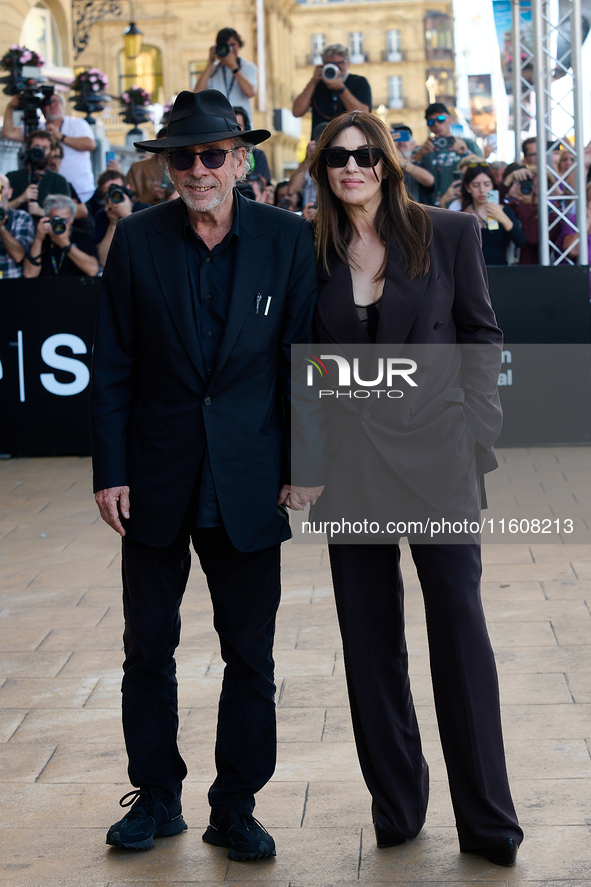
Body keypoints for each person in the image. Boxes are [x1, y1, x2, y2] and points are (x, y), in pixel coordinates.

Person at [90, 89, 322, 860]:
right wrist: (110, 470)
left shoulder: (287, 240)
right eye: (181, 157)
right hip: (154, 476)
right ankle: (155, 796)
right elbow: (114, 366)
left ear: (241, 158)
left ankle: (236, 805)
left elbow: (302, 361)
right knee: (146, 649)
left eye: (211, 154)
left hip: (249, 476)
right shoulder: (138, 240)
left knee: (249, 654)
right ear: (167, 168)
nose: (197, 169)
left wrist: (303, 463)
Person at [307, 111, 523, 867]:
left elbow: (480, 332)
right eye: (337, 157)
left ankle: (489, 821)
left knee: (459, 635)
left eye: (365, 154)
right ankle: (397, 807)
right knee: (369, 647)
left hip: (437, 457)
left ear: (388, 162)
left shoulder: (448, 233)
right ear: (322, 167)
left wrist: (475, 431)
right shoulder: (311, 245)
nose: (352, 167)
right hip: (351, 467)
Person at [2, 92, 96, 203]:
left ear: (63, 105)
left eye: (56, 101)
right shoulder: (37, 128)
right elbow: (8, 133)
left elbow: (90, 145)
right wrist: (10, 106)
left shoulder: (76, 123)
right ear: (41, 108)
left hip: (82, 193)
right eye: (48, 103)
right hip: (47, 192)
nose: (53, 105)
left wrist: (61, 136)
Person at [292, 44, 371, 136]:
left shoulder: (359, 82)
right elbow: (297, 112)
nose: (335, 68)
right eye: (331, 64)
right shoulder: (317, 84)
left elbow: (363, 114)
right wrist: (313, 82)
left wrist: (341, 88)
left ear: (348, 63)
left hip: (350, 141)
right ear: (323, 65)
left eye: (339, 63)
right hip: (320, 141)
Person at [412, 103, 482, 206]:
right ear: (428, 126)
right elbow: (406, 165)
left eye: (441, 119)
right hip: (433, 205)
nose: (437, 124)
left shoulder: (467, 143)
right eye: (431, 122)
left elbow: (484, 168)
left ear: (450, 119)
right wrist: (420, 154)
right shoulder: (424, 149)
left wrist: (467, 152)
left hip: (464, 203)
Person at [460, 162, 524, 265]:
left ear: (492, 186)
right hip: (472, 272)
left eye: (487, 184)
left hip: (500, 271)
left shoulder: (504, 211)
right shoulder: (461, 215)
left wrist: (503, 219)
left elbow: (520, 241)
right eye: (476, 185)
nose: (482, 190)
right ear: (468, 188)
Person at [23, 194, 98, 278]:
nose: (60, 224)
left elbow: (93, 270)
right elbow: (29, 274)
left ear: (71, 219)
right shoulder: (42, 238)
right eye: (56, 219)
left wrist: (65, 244)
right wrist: (38, 239)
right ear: (48, 219)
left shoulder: (83, 236)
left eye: (64, 220)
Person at [194, 28, 257, 118]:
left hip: (241, 123)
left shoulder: (248, 67)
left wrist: (234, 67)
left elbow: (250, 92)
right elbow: (198, 92)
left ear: (239, 45)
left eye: (232, 44)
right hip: (220, 123)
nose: (229, 49)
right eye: (225, 46)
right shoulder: (213, 69)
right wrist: (210, 62)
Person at [7, 129, 70, 219]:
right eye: (37, 147)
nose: (40, 151)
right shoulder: (11, 178)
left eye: (45, 148)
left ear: (51, 151)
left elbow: (66, 216)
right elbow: (2, 209)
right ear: (29, 149)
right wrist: (21, 199)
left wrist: (41, 212)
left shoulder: (59, 181)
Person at [92, 173, 150, 266]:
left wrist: (127, 215)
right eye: (109, 193)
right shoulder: (102, 215)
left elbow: (147, 250)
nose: (114, 196)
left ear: (127, 188)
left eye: (117, 190)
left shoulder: (145, 210)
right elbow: (103, 260)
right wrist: (113, 224)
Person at [0, 174, 35, 279]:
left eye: (1, 189)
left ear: (10, 193)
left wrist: (1, 227)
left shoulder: (21, 217)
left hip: (11, 286)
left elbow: (18, 255)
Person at [389, 124, 434, 203]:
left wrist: (402, 162)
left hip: (419, 212)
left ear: (413, 145)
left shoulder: (422, 163)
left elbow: (430, 181)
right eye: (397, 139)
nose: (401, 142)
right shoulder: (385, 167)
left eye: (404, 137)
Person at [233, 106, 271, 183]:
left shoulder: (258, 154)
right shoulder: (220, 153)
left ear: (246, 128)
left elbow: (262, 182)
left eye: (238, 126)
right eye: (232, 126)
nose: (234, 130)